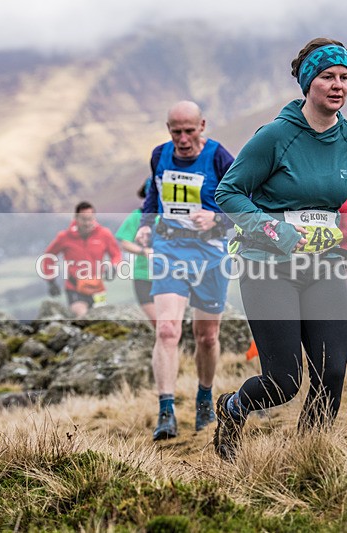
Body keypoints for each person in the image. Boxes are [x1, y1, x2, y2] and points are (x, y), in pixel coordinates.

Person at [213, 37, 347, 461]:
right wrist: (271, 228)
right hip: (266, 265)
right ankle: (233, 409)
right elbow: (228, 192)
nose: (338, 85)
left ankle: (307, 459)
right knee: (284, 381)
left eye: (345, 77)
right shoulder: (275, 136)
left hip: (324, 264)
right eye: (328, 76)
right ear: (308, 82)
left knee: (332, 372)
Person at [135, 100, 235, 441]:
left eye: (189, 131)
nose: (183, 138)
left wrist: (217, 218)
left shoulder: (220, 157)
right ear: (168, 130)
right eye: (176, 131)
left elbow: (245, 204)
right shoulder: (159, 155)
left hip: (211, 251)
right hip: (170, 249)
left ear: (202, 125)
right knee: (166, 331)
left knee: (206, 336)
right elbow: (153, 195)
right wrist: (146, 225)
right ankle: (166, 412)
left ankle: (205, 399)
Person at [41, 201, 122, 318]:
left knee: (100, 320)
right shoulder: (64, 237)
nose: (88, 223)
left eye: (91, 219)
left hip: (97, 287)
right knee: (82, 316)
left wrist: (114, 267)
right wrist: (51, 281)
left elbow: (116, 254)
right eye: (84, 219)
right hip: (75, 287)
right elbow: (49, 256)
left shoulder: (104, 234)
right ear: (76, 218)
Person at [116, 180, 157, 326]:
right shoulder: (136, 217)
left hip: (170, 276)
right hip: (143, 275)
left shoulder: (171, 216)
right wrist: (143, 251)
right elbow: (124, 242)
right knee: (157, 322)